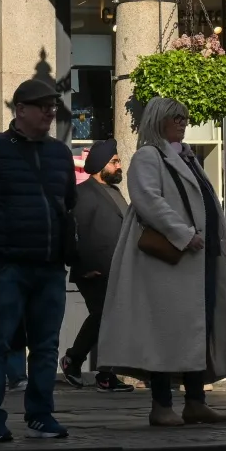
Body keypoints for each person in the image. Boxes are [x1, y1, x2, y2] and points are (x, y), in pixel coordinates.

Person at [97, 95, 226, 429]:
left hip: (197, 261)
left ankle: (196, 402)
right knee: (164, 332)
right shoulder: (148, 156)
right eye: (177, 119)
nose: (183, 124)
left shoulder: (187, 157)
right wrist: (184, 233)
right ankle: (162, 404)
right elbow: (148, 201)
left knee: (197, 331)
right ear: (160, 121)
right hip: (168, 261)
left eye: (185, 118)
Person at [0, 77, 76, 443]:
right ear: (20, 110)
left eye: (53, 106)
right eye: (43, 106)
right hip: (4, 263)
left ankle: (40, 414)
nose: (50, 112)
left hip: (49, 263)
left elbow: (68, 202)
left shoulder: (59, 153)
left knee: (45, 345)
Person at [64, 139, 129, 394]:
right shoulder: (84, 193)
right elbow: (76, 234)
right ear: (101, 165)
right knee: (103, 316)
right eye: (114, 162)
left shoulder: (115, 192)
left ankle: (104, 373)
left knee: (112, 320)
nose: (119, 166)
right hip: (93, 270)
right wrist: (84, 265)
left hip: (117, 269)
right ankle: (74, 361)